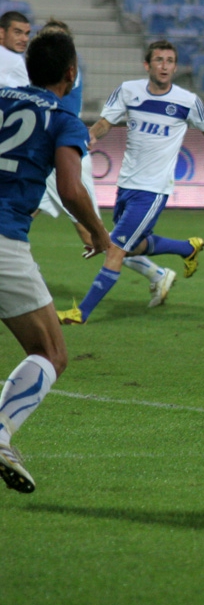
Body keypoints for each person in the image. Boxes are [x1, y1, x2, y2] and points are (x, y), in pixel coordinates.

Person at [0, 30, 111, 492]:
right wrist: (100, 232)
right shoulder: (64, 117)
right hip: (4, 241)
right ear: (71, 74)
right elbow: (70, 188)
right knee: (51, 352)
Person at [57, 39, 204, 325]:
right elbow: (105, 122)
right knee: (133, 247)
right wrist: (91, 135)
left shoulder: (187, 101)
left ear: (175, 67)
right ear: (147, 65)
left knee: (116, 248)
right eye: (159, 60)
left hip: (153, 191)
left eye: (170, 61)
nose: (164, 66)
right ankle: (186, 248)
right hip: (126, 185)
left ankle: (82, 312)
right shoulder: (129, 91)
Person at [33, 20, 177, 309]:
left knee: (91, 234)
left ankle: (157, 272)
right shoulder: (51, 71)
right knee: (18, 212)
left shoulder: (63, 73)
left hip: (65, 156)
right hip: (46, 154)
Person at [0, 10, 30, 88]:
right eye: (17, 33)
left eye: (27, 34)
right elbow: (27, 97)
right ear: (1, 33)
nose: (25, 39)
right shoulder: (15, 60)